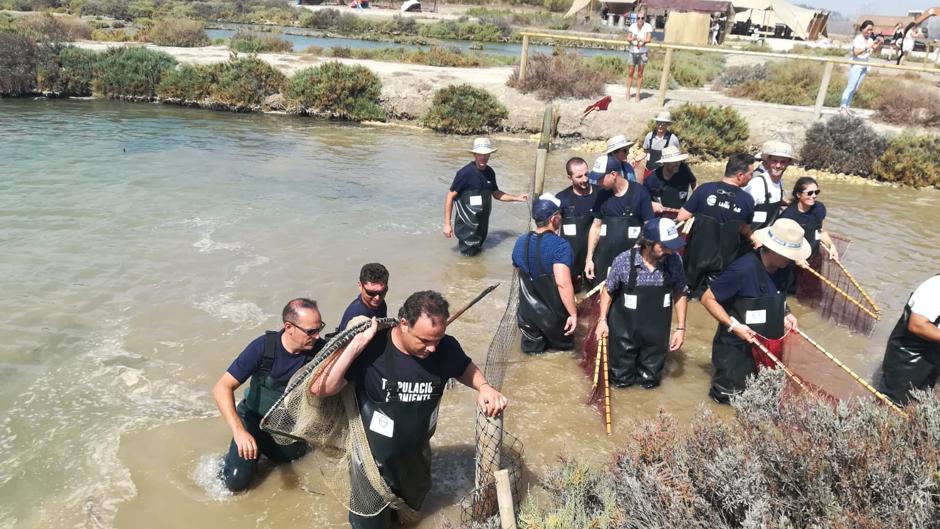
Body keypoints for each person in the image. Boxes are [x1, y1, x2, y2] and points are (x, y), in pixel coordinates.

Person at [309, 291, 507, 529]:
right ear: (404, 324)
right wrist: (357, 344)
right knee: (371, 523)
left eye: (437, 339)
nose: (432, 348)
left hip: (416, 457)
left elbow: (464, 367)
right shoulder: (374, 350)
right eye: (424, 340)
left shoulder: (445, 347)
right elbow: (321, 388)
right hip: (372, 463)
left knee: (411, 516)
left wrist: (484, 387)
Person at [213, 298, 326, 492]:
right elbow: (222, 387)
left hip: (286, 429)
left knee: (293, 460)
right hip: (254, 423)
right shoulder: (263, 348)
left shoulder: (319, 351)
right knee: (236, 483)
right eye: (311, 331)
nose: (317, 336)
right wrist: (239, 432)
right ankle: (233, 458)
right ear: (289, 327)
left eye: (319, 328)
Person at [701, 218, 809, 403]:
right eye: (788, 254)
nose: (792, 259)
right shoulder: (742, 269)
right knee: (729, 400)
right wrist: (734, 326)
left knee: (765, 396)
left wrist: (786, 313)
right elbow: (707, 299)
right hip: (736, 350)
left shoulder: (784, 268)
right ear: (773, 250)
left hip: (768, 346)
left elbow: (779, 295)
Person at [595, 218, 689, 388]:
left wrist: (681, 328)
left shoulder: (674, 261)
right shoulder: (624, 261)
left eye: (672, 246)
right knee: (620, 383)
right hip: (624, 335)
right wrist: (602, 321)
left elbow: (681, 292)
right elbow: (608, 291)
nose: (669, 250)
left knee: (650, 385)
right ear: (648, 243)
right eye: (664, 246)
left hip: (656, 337)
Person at [676, 153, 757, 297]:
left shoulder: (704, 190)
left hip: (696, 258)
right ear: (740, 175)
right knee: (713, 300)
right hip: (723, 263)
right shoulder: (747, 201)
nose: (752, 178)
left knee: (686, 295)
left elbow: (682, 217)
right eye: (751, 174)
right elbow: (746, 230)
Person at [513, 193, 577, 353]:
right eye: (560, 215)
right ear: (554, 218)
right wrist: (573, 314)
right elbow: (562, 283)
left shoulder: (520, 241)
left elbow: (519, 270)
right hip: (554, 318)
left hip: (527, 317)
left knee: (531, 358)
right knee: (562, 358)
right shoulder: (560, 246)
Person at [443, 138, 528, 256]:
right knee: (469, 259)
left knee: (478, 254)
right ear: (474, 154)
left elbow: (496, 193)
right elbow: (450, 196)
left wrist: (517, 198)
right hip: (467, 226)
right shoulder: (464, 173)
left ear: (489, 155)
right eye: (480, 154)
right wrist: (447, 224)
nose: (483, 157)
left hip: (482, 224)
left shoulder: (490, 172)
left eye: (486, 154)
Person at [584, 154, 655, 285]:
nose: (597, 182)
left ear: (613, 174)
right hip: (605, 258)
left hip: (632, 258)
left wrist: (635, 255)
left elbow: (649, 227)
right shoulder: (602, 194)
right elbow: (596, 226)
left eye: (600, 178)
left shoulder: (640, 193)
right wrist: (589, 259)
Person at [879, 275, 940, 405]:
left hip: (932, 357)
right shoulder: (935, 287)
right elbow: (917, 325)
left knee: (922, 407)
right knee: (892, 408)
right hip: (908, 360)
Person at [556, 157, 598, 288]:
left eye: (587, 174)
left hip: (596, 257)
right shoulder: (561, 199)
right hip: (571, 260)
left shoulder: (601, 194)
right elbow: (554, 232)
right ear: (570, 177)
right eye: (579, 176)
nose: (585, 179)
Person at [777, 177, 839, 264]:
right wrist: (796, 258)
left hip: (813, 258)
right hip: (791, 263)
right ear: (798, 195)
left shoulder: (819, 208)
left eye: (816, 192)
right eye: (809, 193)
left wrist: (831, 246)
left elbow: (821, 232)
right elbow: (781, 244)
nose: (814, 196)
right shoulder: (788, 216)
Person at [742, 140, 795, 231]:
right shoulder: (757, 184)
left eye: (783, 162)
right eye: (775, 161)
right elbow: (742, 215)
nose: (778, 165)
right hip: (751, 238)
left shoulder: (779, 183)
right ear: (768, 161)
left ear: (788, 164)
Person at [840, 20, 883, 116]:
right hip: (856, 65)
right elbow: (856, 52)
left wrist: (878, 44)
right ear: (863, 29)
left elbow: (873, 50)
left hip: (864, 66)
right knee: (850, 87)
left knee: (855, 88)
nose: (869, 32)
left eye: (871, 30)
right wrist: (868, 46)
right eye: (868, 29)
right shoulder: (858, 39)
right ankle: (843, 106)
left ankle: (847, 106)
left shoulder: (871, 40)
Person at [337, 262, 390, 333]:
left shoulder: (381, 303)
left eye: (381, 292)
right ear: (360, 286)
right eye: (370, 293)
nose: (377, 298)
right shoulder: (355, 314)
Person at [643, 145, 696, 214]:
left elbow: (694, 184)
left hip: (681, 212)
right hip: (662, 214)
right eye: (674, 161)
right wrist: (651, 204)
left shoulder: (684, 169)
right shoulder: (653, 179)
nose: (678, 164)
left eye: (679, 161)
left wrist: (694, 203)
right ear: (664, 163)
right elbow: (642, 198)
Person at [625, 8, 654, 102]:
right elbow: (628, 38)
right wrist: (633, 38)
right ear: (636, 18)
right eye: (638, 18)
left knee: (640, 73)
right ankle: (628, 92)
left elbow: (649, 39)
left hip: (642, 52)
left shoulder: (648, 26)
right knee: (630, 72)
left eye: (642, 18)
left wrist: (642, 40)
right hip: (633, 51)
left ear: (645, 18)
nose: (640, 20)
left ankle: (637, 94)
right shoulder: (632, 26)